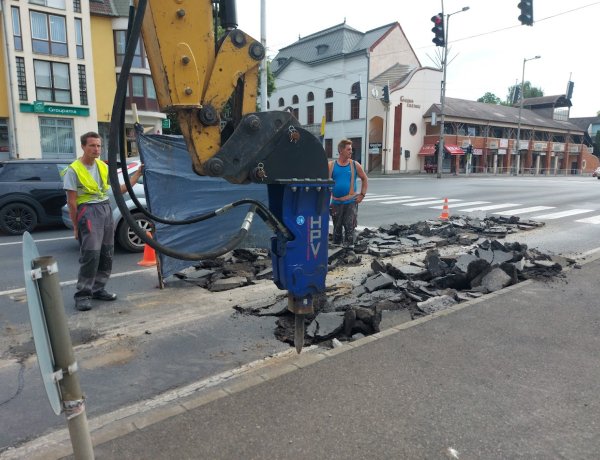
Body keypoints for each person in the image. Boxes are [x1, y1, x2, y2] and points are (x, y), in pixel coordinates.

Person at [63, 132, 143, 311]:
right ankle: (83, 294)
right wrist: (76, 226)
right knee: (91, 255)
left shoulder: (103, 166)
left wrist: (137, 175)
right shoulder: (73, 170)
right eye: (92, 145)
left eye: (98, 146)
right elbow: (72, 202)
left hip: (105, 209)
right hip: (88, 212)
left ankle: (99, 288)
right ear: (83, 146)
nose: (96, 149)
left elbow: (117, 190)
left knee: (107, 253)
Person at [328, 139, 368, 246]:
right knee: (337, 230)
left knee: (349, 229)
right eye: (348, 149)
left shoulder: (355, 165)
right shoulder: (331, 165)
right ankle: (337, 251)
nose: (351, 151)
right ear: (341, 150)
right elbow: (324, 184)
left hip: (350, 202)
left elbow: (365, 179)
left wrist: (362, 195)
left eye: (351, 149)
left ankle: (349, 252)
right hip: (335, 203)